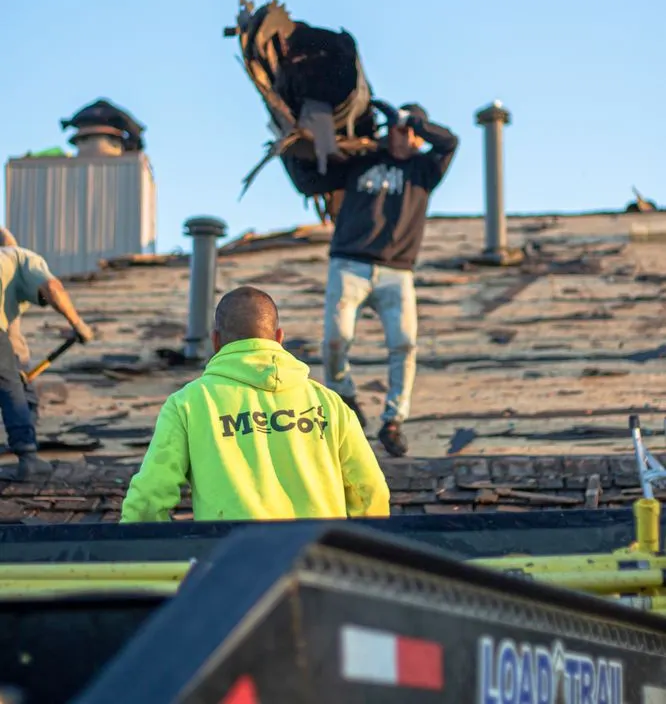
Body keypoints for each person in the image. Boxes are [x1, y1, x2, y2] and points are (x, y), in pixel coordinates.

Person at [121, 286, 390, 522]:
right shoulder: (329, 403)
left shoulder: (188, 403)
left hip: (231, 564)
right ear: (279, 338)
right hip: (315, 561)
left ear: (216, 341)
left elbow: (149, 498)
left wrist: (146, 557)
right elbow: (370, 490)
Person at [286, 101, 459, 458]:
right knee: (335, 340)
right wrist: (290, 148)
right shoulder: (362, 159)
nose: (403, 137)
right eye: (398, 129)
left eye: (411, 132)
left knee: (404, 345)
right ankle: (345, 395)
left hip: (397, 271)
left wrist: (414, 122)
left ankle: (393, 421)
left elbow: (450, 142)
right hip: (349, 264)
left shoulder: (423, 169)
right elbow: (312, 179)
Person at [0, 229, 95, 480]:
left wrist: (19, 367)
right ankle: (28, 457)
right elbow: (52, 286)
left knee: (18, 383)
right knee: (12, 390)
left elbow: (10, 336)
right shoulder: (18, 256)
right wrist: (78, 325)